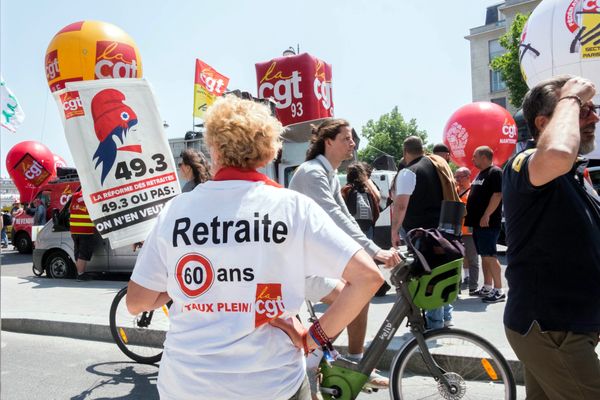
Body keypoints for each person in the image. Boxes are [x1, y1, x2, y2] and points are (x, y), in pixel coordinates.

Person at [126, 95, 384, 400]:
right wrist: (313, 338)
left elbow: (136, 302)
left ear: (213, 147)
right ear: (269, 150)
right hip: (272, 384)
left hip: (187, 384)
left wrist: (180, 285)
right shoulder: (292, 207)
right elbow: (368, 278)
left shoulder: (177, 210)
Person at [503, 75, 600, 398]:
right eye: (582, 111)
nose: (593, 118)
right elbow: (557, 152)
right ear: (543, 122)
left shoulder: (573, 173)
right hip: (551, 327)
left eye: (591, 109)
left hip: (567, 326)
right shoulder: (524, 162)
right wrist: (571, 96)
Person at [289, 118, 400, 392]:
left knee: (362, 289)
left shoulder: (328, 174)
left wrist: (369, 253)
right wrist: (375, 251)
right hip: (295, 265)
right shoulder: (312, 173)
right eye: (346, 138)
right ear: (328, 142)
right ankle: (311, 361)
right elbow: (334, 217)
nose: (352, 143)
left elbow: (347, 218)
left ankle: (356, 361)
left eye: (352, 139)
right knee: (346, 297)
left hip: (313, 259)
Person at [390, 136, 455, 329]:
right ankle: (445, 318)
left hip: (422, 235)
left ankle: (434, 324)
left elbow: (401, 206)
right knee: (442, 273)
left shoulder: (409, 172)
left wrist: (394, 231)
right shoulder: (435, 165)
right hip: (442, 230)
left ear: (405, 152)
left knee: (429, 278)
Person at [465, 146, 504, 303]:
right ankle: (488, 287)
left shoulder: (495, 172)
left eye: (475, 156)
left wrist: (487, 214)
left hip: (488, 223)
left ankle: (499, 290)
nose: (472, 159)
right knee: (484, 256)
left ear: (484, 156)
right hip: (478, 223)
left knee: (490, 256)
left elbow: (497, 194)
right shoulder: (481, 174)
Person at [454, 167, 480, 293]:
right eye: (456, 177)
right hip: (455, 231)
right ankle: (456, 288)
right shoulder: (454, 191)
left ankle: (473, 287)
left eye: (459, 177)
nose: (457, 179)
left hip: (469, 231)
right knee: (456, 261)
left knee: (473, 259)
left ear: (468, 176)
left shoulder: (474, 191)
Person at [341, 161, 381, 239]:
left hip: (351, 228)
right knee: (368, 249)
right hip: (367, 226)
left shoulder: (345, 189)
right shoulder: (367, 190)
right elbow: (377, 202)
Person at [69, 191, 96, 281]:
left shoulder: (75, 195)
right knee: (84, 253)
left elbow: (70, 209)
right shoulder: (91, 194)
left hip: (74, 230)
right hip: (85, 229)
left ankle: (80, 273)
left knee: (78, 252)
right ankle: (81, 275)